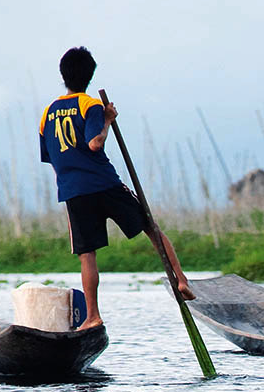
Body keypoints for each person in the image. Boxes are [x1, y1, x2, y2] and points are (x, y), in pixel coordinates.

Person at [39, 47, 195, 330]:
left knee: (88, 255)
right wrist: (108, 121)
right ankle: (181, 280)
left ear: (63, 76)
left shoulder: (48, 113)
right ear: (90, 76)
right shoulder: (90, 105)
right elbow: (95, 144)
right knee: (151, 228)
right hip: (103, 183)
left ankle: (93, 316)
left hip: (73, 191)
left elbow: (51, 157)